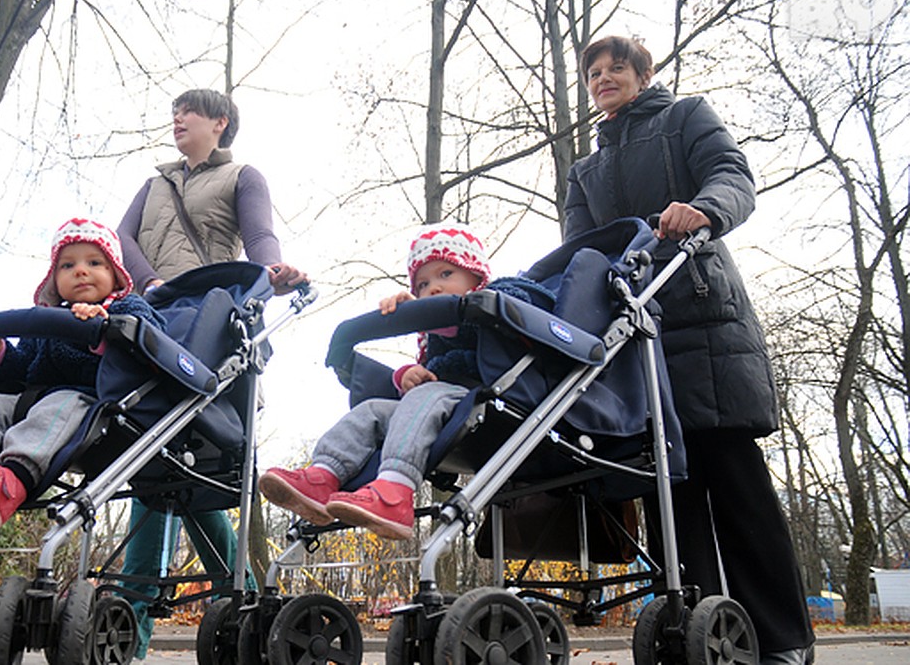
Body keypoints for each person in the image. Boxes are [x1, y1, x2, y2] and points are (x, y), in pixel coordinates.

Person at [563, 35, 814, 665]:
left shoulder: (686, 118)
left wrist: (702, 211)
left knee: (735, 483)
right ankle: (707, 639)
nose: (603, 78)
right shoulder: (584, 169)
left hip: (703, 322)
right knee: (670, 494)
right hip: (633, 337)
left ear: (643, 74)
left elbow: (734, 177)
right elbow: (577, 254)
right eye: (593, 72)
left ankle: (783, 639)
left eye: (615, 67)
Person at [115, 88, 306, 659]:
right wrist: (149, 284)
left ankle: (133, 624)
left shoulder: (243, 176)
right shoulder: (153, 184)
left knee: (171, 465)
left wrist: (272, 272)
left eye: (188, 112)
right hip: (152, 322)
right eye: (173, 111)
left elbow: (259, 237)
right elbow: (120, 239)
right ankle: (242, 606)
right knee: (162, 463)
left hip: (209, 331)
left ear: (219, 123)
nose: (176, 119)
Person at [258, 223, 548, 540]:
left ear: (477, 276)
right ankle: (324, 475)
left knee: (424, 397)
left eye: (446, 274)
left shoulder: (503, 296)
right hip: (432, 403)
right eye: (423, 284)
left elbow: (499, 325)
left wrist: (437, 313)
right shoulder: (436, 335)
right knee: (370, 410)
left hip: (486, 394)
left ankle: (395, 490)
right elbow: (428, 370)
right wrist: (406, 374)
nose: (433, 288)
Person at [0, 218, 164, 533]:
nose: (81, 270)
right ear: (54, 279)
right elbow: (22, 366)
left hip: (90, 399)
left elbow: (152, 341)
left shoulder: (128, 307)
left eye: (94, 262)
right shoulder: (47, 320)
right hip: (29, 397)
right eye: (67, 265)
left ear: (116, 274)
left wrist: (108, 331)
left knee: (57, 407)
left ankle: (12, 480)